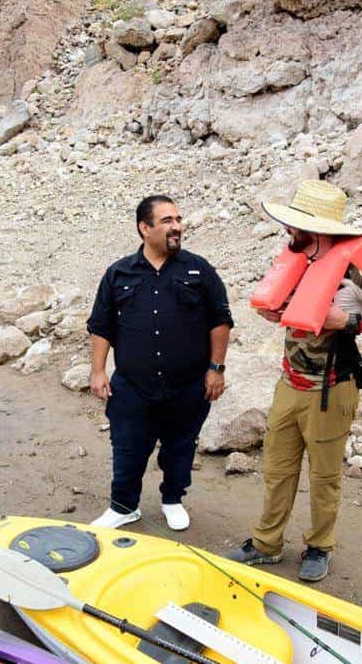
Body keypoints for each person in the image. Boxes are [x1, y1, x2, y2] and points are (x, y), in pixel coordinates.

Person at [224, 180, 362, 582]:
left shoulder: (358, 268)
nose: (288, 233)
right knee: (277, 468)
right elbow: (294, 311)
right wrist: (277, 311)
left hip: (332, 389)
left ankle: (320, 546)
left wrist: (348, 320)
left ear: (315, 230)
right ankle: (266, 544)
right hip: (290, 383)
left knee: (324, 477)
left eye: (295, 227)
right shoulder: (299, 261)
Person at [86, 195, 233, 531]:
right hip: (133, 386)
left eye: (178, 219)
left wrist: (216, 368)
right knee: (127, 447)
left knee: (180, 446)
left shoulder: (199, 270)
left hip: (188, 384)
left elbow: (220, 321)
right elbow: (101, 325)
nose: (177, 226)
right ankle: (123, 506)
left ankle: (172, 500)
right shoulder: (118, 273)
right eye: (167, 220)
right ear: (144, 228)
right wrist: (97, 370)